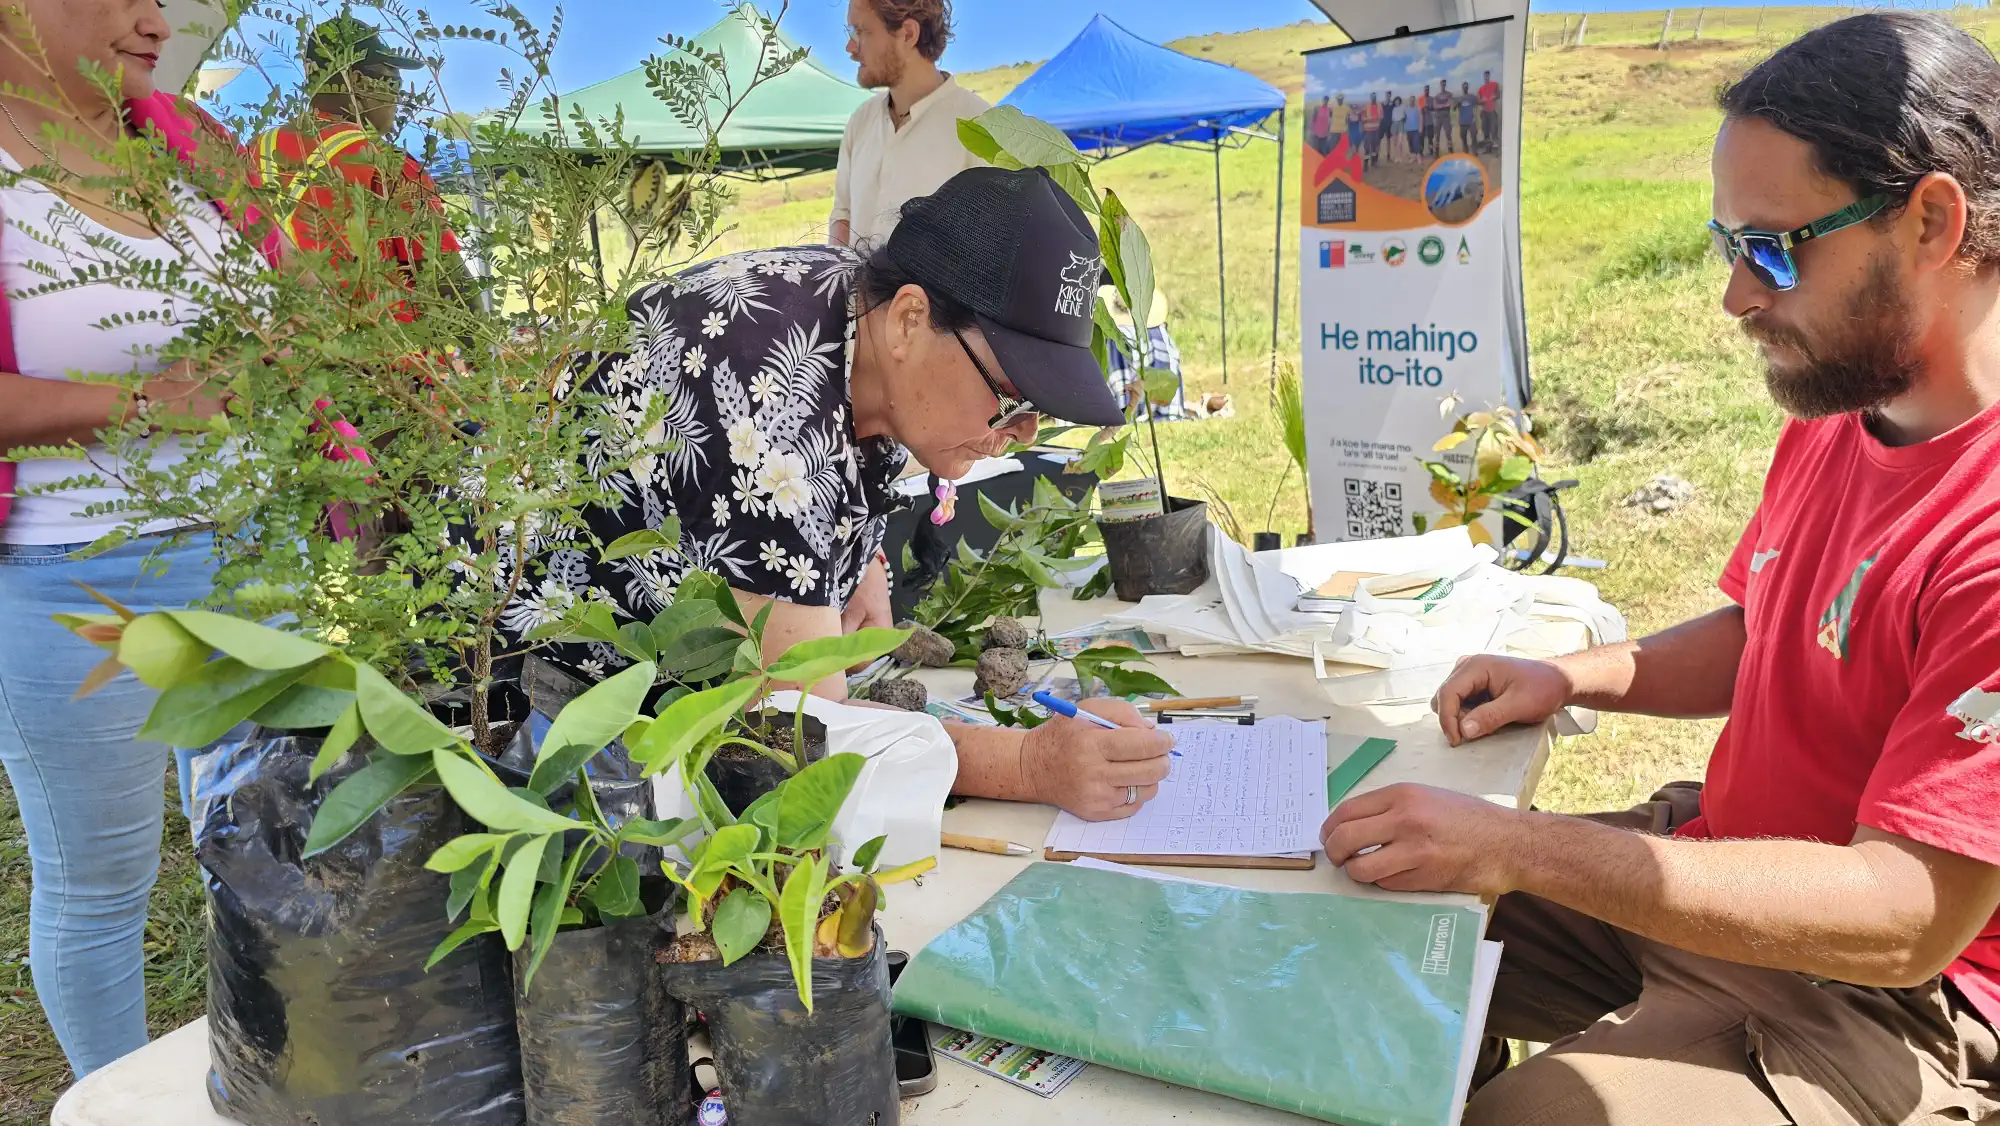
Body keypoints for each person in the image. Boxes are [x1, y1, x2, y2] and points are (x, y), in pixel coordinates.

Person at [1322, 14, 2000, 1123]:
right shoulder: (1840, 412)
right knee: (1373, 912)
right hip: (1720, 858)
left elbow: (1905, 913)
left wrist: (1523, 843)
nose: (1735, 295)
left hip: (1881, 992)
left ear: (1929, 220)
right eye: (1723, 244)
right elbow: (1767, 632)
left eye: (1772, 247)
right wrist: (1575, 676)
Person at [516, 166, 1173, 822]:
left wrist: (859, 562)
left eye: (1038, 412)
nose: (1019, 434)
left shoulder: (855, 307)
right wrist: (1033, 764)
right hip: (557, 700)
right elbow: (802, 735)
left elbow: (838, 452)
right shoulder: (766, 403)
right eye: (1010, 397)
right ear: (912, 319)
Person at [0, 0, 246, 1078]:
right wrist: (137, 405)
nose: (158, 19)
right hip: (73, 572)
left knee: (262, 846)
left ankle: (262, 1068)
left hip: (251, 550)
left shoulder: (183, 139)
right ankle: (114, 1099)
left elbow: (294, 299)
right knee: (100, 884)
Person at [251, 15, 463, 316]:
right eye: (393, 82)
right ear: (357, 82)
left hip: (273, 350)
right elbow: (451, 283)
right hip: (376, 355)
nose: (398, 98)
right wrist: (488, 360)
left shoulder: (250, 152)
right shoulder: (387, 166)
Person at [829, 0, 988, 249]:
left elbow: (988, 247)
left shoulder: (979, 126)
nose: (850, 47)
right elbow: (842, 215)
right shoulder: (860, 121)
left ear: (908, 34)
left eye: (861, 32)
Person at [1477, 69, 1501, 152]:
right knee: (1485, 131)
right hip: (1484, 112)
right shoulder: (1481, 89)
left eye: (1487, 76)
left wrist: (1494, 97)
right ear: (1483, 77)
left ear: (1489, 76)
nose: (1486, 77)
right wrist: (1481, 101)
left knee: (1494, 130)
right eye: (1484, 76)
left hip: (1492, 111)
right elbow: (1478, 101)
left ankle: (1496, 150)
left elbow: (1498, 95)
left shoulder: (1494, 84)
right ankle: (1487, 149)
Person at [1360, 92, 1381, 169]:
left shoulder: (1379, 106)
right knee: (1367, 148)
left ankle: (1373, 162)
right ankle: (1365, 165)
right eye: (1372, 97)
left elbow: (1381, 116)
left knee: (1374, 148)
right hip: (1368, 130)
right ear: (1370, 98)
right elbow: (1362, 118)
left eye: (1374, 97)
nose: (1373, 98)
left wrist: (1377, 118)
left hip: (1376, 130)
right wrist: (1371, 118)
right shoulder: (1366, 106)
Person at [1457, 81, 1478, 156]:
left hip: (1471, 121)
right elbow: (1453, 108)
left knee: (1474, 137)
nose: (1465, 87)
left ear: (1468, 87)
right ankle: (1466, 152)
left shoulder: (1472, 97)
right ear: (1462, 88)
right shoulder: (1459, 98)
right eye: (1464, 86)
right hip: (1463, 122)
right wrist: (1458, 103)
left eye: (1466, 86)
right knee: (1463, 138)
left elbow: (1477, 103)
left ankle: (1474, 152)